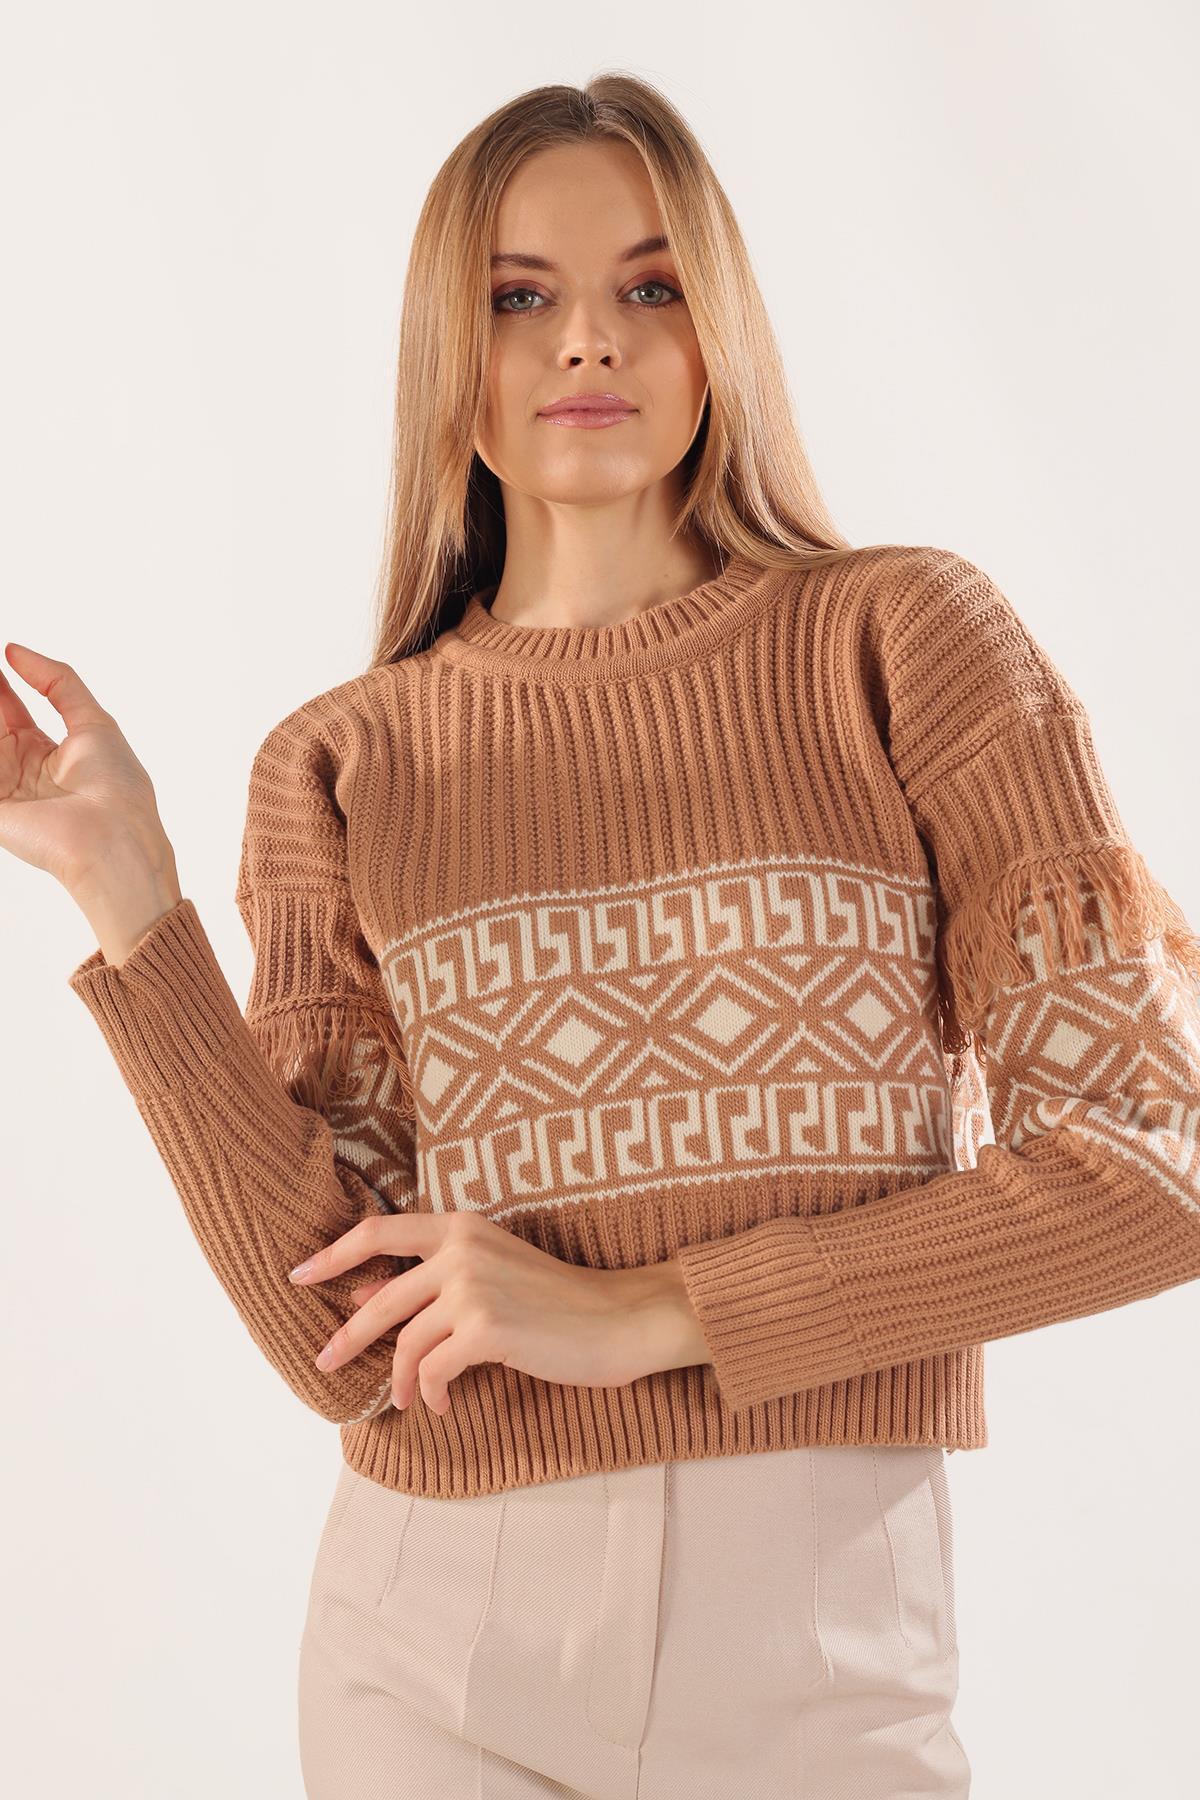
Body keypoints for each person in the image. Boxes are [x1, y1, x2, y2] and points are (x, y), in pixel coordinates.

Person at [5, 72, 1200, 1800]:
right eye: (519, 296)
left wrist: (648, 1313)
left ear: (721, 333)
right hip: (436, 1655)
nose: (588, 338)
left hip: (822, 1661)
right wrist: (128, 893)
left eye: (651, 285)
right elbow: (342, 1341)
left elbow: (1157, 1163)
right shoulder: (342, 761)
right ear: (452, 354)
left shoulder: (903, 644)